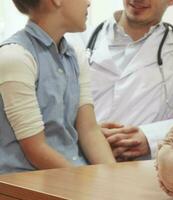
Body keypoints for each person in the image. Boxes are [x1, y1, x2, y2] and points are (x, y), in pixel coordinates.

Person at [0, 0, 116, 174]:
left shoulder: (76, 55)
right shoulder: (15, 57)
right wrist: (88, 184)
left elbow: (89, 130)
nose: (89, 3)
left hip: (72, 177)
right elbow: (36, 149)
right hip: (25, 184)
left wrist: (115, 176)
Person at [87, 0, 173, 161]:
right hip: (82, 164)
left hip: (146, 168)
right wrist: (88, 132)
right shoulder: (82, 39)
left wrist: (151, 138)